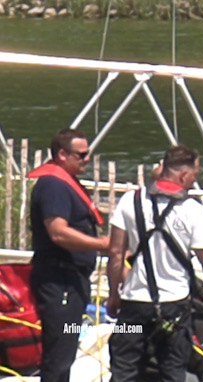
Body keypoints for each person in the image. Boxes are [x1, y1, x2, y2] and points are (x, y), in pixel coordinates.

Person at [106, 145, 203, 382]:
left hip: (133, 307)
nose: (194, 181)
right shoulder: (193, 210)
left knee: (124, 369)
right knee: (171, 371)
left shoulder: (131, 200)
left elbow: (116, 253)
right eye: (194, 176)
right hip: (175, 308)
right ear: (183, 175)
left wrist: (113, 294)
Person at [28, 129, 110, 382]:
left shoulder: (67, 181)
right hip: (59, 280)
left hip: (71, 279)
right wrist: (102, 244)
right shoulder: (54, 185)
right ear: (62, 154)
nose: (86, 159)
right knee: (59, 355)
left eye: (88, 154)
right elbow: (58, 233)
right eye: (81, 155)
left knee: (65, 351)